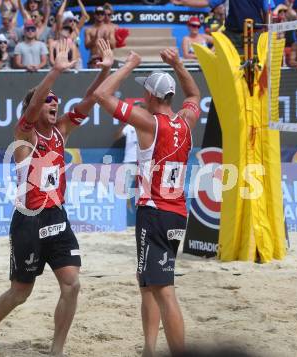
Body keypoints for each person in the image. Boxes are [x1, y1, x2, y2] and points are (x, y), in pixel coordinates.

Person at [0, 38, 114, 354]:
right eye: (48, 100)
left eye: (57, 100)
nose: (55, 104)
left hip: (57, 216)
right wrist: (55, 70)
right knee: (20, 292)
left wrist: (105, 70)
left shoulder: (61, 132)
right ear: (35, 107)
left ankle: (56, 349)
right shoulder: (25, 135)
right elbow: (34, 101)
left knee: (72, 284)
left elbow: (91, 99)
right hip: (28, 220)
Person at [93, 42, 200, 357]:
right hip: (177, 213)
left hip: (154, 213)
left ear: (153, 97)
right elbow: (194, 96)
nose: (141, 98)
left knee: (164, 290)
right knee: (148, 283)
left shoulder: (148, 123)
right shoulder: (185, 121)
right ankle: (149, 350)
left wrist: (127, 65)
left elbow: (102, 96)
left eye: (145, 94)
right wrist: (179, 65)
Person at [172, 0, 275, 53]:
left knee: (257, 66)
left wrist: (268, 33)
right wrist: (183, 1)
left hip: (255, 35)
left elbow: (268, 11)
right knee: (233, 68)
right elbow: (207, 2)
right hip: (232, 35)